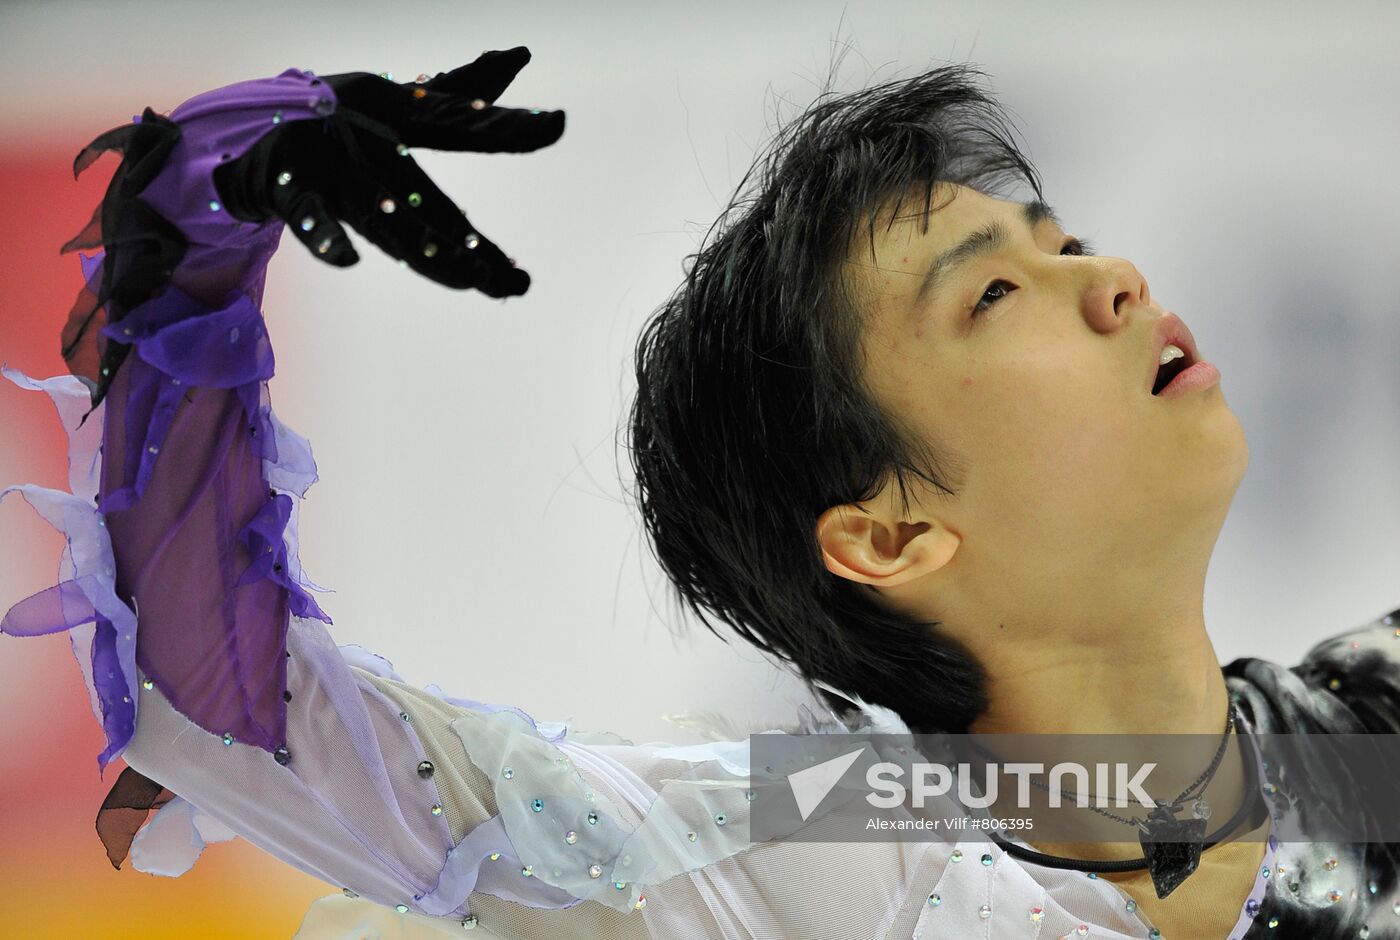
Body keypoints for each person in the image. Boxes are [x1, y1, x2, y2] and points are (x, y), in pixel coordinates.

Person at [1, 47, 1396, 940]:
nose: (1116, 281)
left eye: (1067, 240)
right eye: (991, 292)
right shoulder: (823, 858)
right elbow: (238, 714)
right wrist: (198, 207)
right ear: (890, 532)